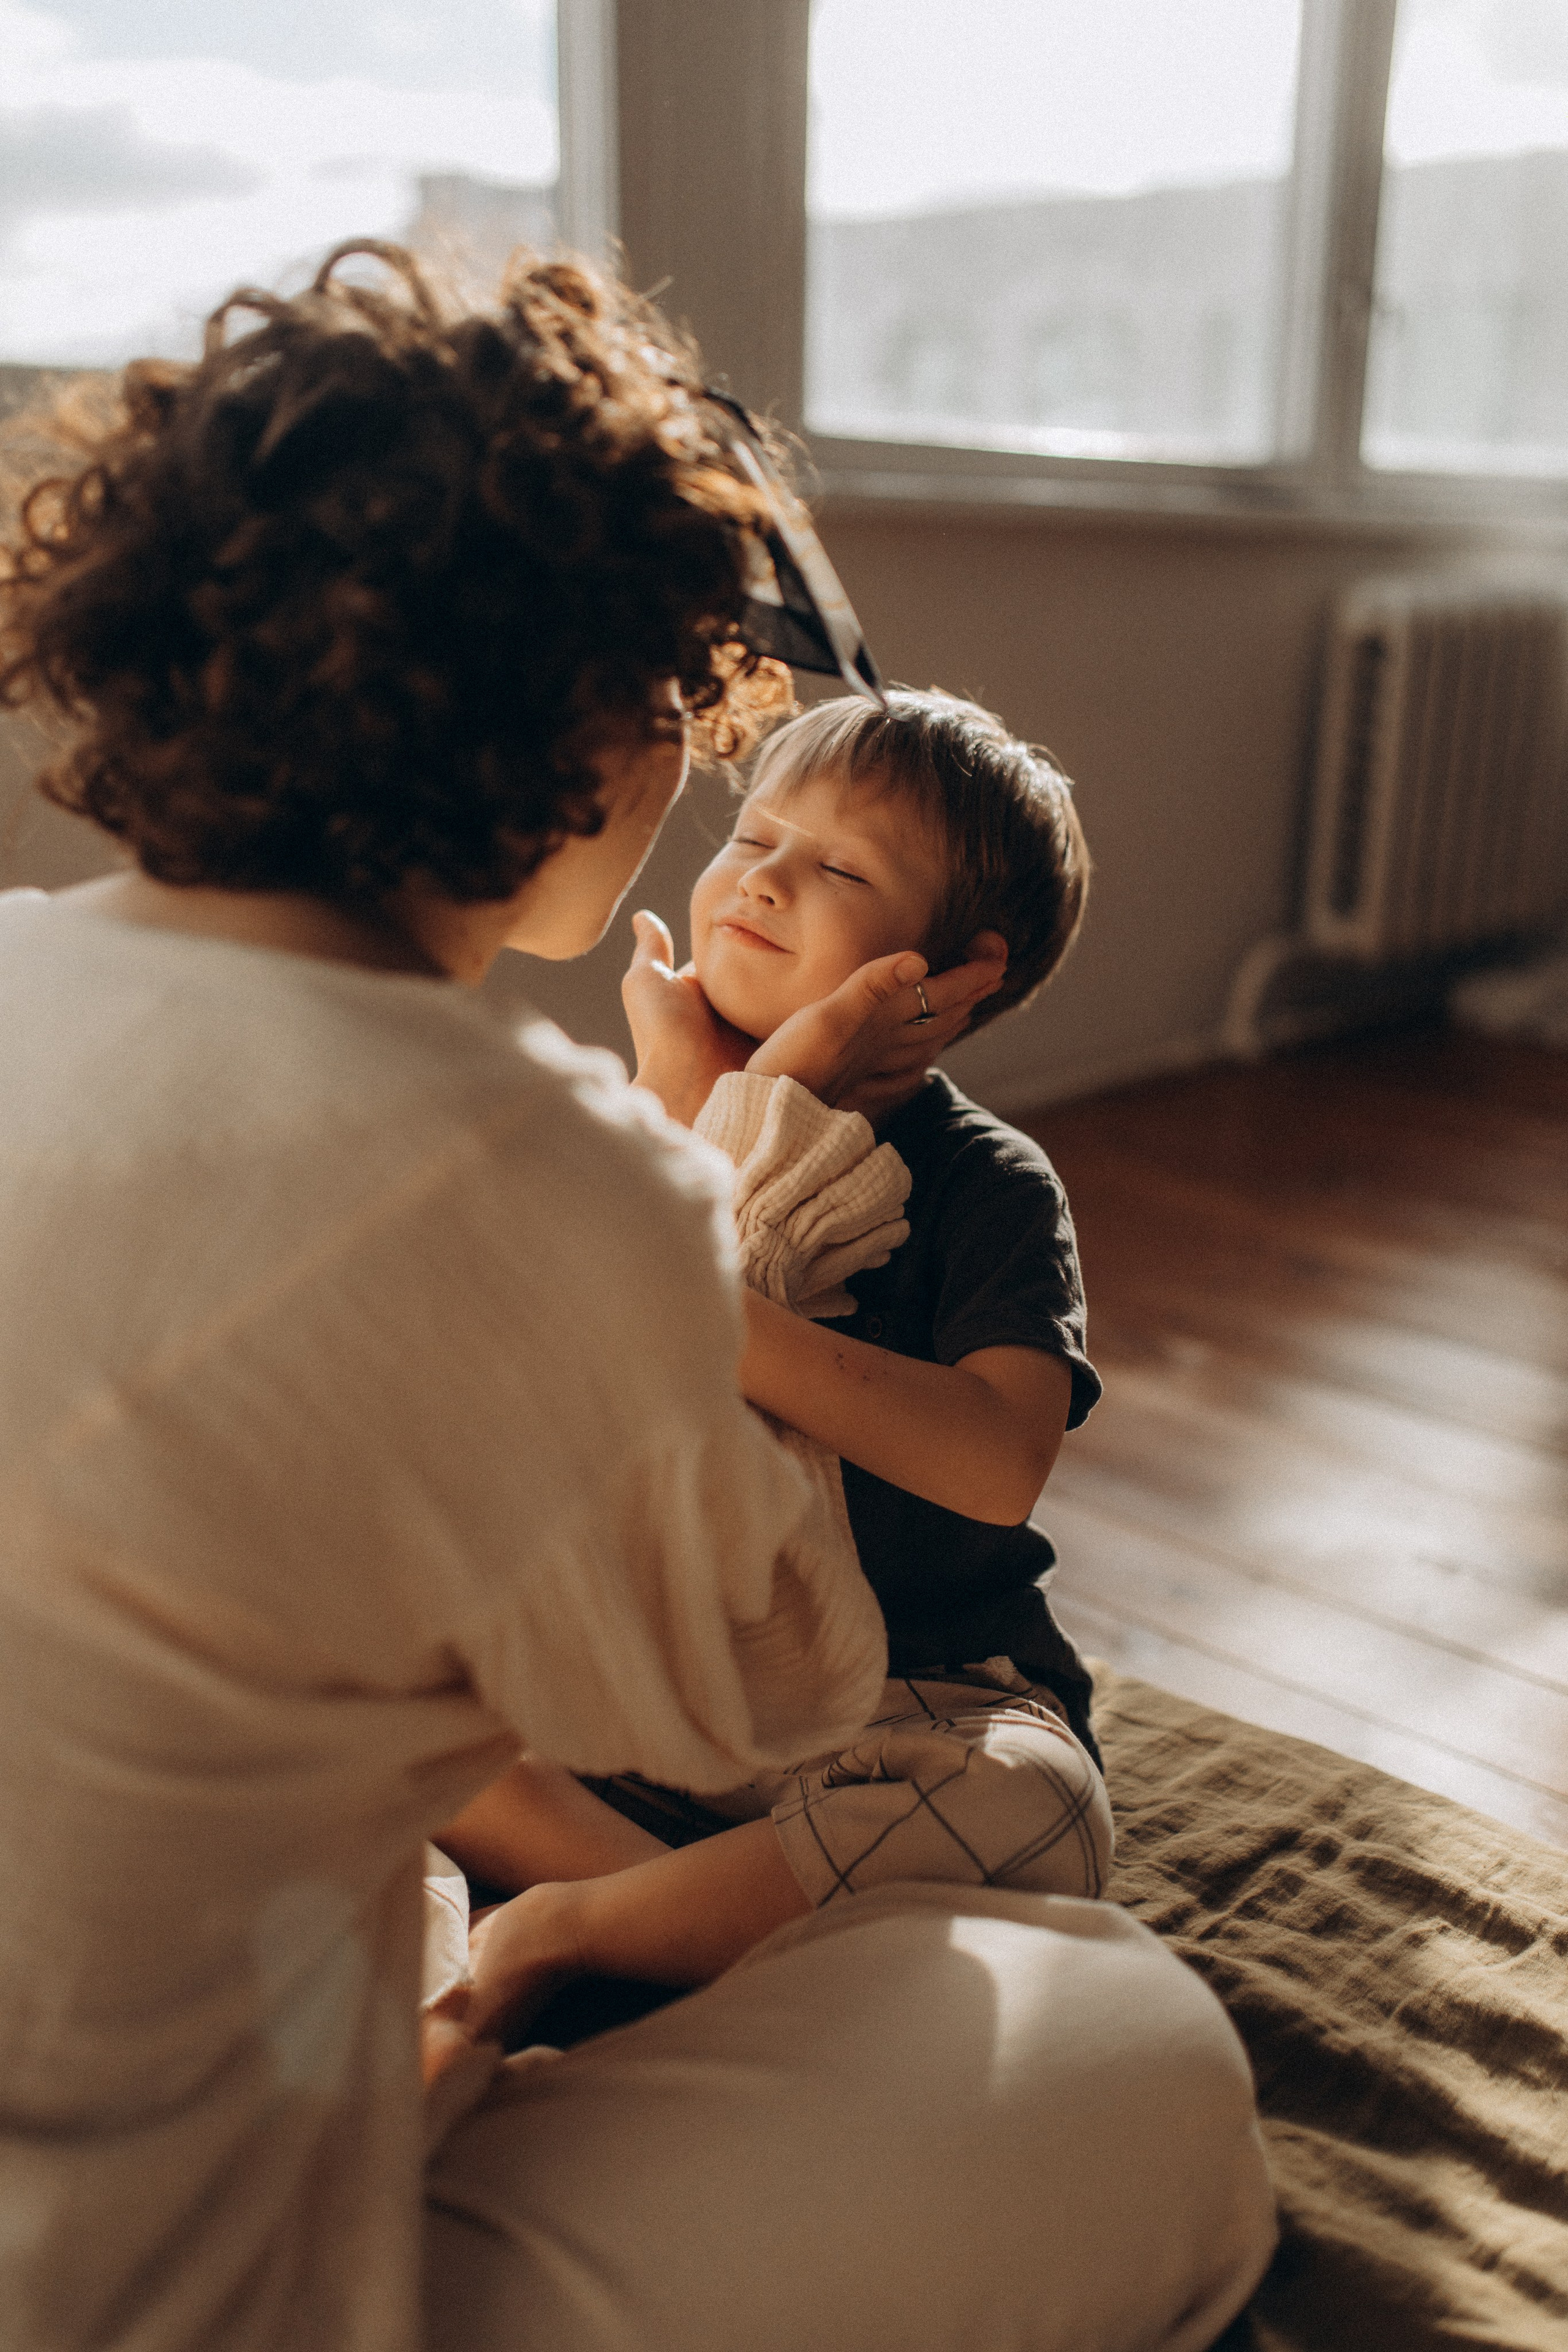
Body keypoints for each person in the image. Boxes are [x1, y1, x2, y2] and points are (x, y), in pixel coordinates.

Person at [0, 240, 1275, 2352]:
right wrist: (741, 1148)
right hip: (177, 2283)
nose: (720, 812)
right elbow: (764, 1692)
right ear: (602, 723)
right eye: (702, 727)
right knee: (1129, 2037)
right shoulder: (550, 1168)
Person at [442, 689, 1119, 2038]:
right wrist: (686, 1106)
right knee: (387, 1699)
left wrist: (723, 1315)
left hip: (905, 1707)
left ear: (952, 973)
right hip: (667, 1701)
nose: (762, 877)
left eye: (841, 868)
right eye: (752, 833)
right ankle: (689, 1909)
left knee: (1043, 1812)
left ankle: (573, 1925)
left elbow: (994, 1466)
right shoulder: (646, 1107)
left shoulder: (988, 1181)